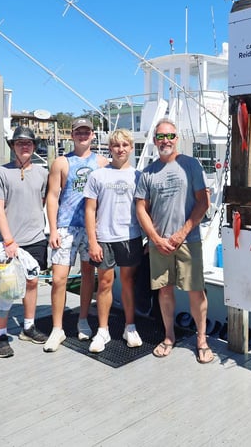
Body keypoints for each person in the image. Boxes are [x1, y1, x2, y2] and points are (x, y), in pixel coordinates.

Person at [135, 118, 214, 364]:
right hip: (160, 244)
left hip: (188, 241)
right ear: (155, 139)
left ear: (176, 138)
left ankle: (202, 340)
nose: (165, 141)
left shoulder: (190, 165)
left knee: (196, 291)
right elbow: (141, 209)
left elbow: (203, 202)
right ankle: (169, 337)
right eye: (160, 136)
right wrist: (155, 239)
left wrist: (181, 234)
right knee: (164, 291)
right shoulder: (147, 173)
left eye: (169, 136)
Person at [44, 118, 108, 352]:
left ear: (93, 135)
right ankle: (57, 328)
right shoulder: (61, 162)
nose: (82, 135)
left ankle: (83, 319)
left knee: (88, 275)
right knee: (59, 278)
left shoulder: (101, 162)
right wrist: (52, 229)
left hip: (91, 229)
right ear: (71, 135)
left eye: (87, 131)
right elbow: (52, 196)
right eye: (78, 132)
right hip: (65, 227)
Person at [0, 126, 49, 357]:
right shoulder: (1, 173)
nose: (25, 146)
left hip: (35, 238)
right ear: (13, 146)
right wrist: (9, 240)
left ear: (34, 146)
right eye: (20, 142)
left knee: (32, 283)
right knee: (5, 288)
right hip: (8, 241)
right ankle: (1, 334)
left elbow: (42, 200)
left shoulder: (43, 173)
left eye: (29, 143)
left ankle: (28, 326)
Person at [84, 129, 144, 352]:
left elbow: (144, 209)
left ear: (131, 148)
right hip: (104, 238)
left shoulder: (138, 176)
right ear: (110, 148)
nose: (120, 149)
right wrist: (93, 241)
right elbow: (90, 210)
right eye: (116, 145)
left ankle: (130, 326)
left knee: (128, 282)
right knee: (105, 283)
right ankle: (103, 330)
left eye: (125, 145)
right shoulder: (97, 175)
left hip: (130, 236)